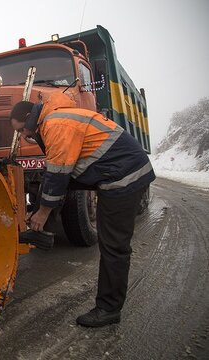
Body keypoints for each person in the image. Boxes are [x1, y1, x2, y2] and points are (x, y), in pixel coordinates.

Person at [10, 91, 155, 327]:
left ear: (28, 117)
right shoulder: (53, 118)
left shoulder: (55, 124)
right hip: (109, 171)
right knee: (54, 181)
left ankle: (109, 309)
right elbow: (56, 175)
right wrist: (38, 212)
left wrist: (43, 212)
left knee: (113, 245)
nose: (23, 136)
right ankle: (38, 228)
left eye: (21, 130)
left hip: (123, 176)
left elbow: (59, 174)